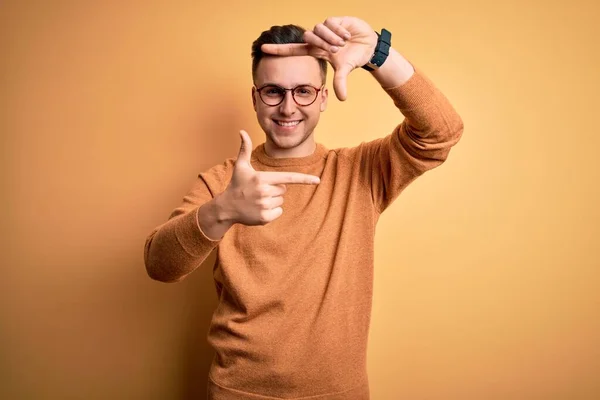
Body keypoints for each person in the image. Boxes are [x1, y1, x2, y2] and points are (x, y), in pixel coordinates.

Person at [144, 15, 463, 400]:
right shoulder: (221, 183)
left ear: (324, 97)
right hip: (237, 392)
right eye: (273, 91)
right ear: (255, 97)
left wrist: (379, 54)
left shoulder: (360, 172)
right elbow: (159, 266)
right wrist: (222, 210)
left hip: (337, 393)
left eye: (303, 91)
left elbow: (441, 133)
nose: (288, 107)